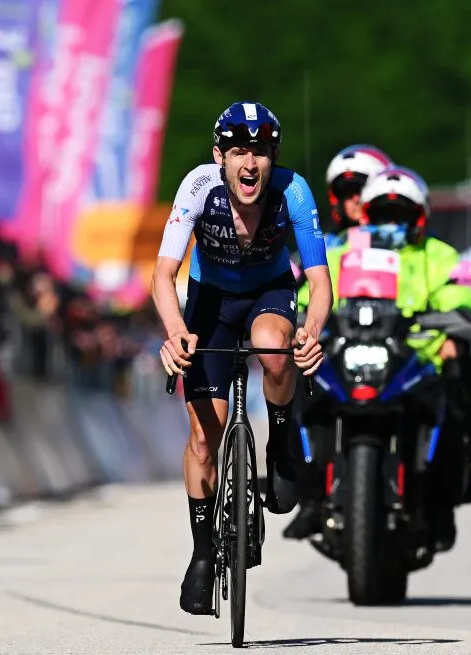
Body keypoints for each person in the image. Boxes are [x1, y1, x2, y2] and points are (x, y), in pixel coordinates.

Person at [151, 101, 333, 615]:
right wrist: (176, 333)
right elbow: (163, 275)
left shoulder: (293, 191)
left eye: (259, 152)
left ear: (273, 157)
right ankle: (204, 551)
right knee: (203, 441)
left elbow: (319, 282)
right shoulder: (197, 187)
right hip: (210, 299)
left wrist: (312, 332)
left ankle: (279, 444)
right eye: (237, 152)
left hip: (269, 292)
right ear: (219, 157)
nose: (249, 164)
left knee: (277, 350)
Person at [290, 166, 471, 552]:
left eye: (401, 215)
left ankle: (443, 498)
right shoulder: (341, 251)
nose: (392, 224)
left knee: (457, 388)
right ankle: (311, 496)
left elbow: (457, 294)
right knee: (300, 394)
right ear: (366, 216)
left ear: (420, 217)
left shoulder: (436, 254)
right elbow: (309, 294)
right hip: (346, 355)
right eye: (383, 215)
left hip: (416, 361)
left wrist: (455, 330)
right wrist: (297, 319)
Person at [283, 144, 393, 538]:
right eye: (345, 192)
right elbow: (295, 290)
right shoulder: (323, 247)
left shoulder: (401, 247)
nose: (354, 201)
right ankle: (310, 496)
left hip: (392, 351)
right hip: (332, 353)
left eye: (361, 190)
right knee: (297, 399)